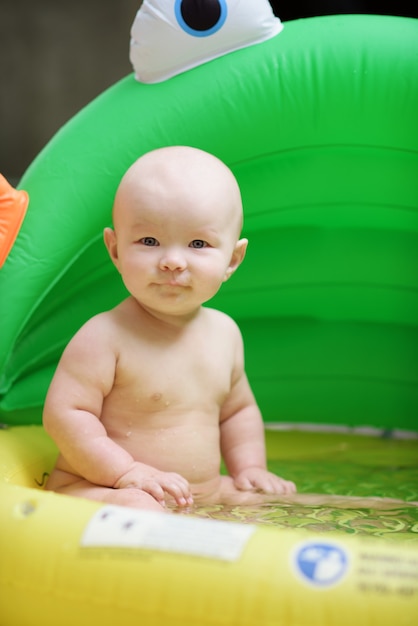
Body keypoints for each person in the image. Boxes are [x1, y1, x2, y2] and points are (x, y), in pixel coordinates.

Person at [43, 146, 296, 512]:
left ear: (232, 260)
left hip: (202, 493)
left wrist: (250, 468)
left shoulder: (225, 334)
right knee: (140, 508)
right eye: (149, 241)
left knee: (285, 505)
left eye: (198, 244)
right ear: (114, 250)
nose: (173, 262)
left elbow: (238, 411)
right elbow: (65, 415)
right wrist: (126, 472)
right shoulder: (104, 337)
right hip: (102, 487)